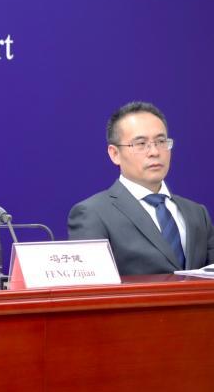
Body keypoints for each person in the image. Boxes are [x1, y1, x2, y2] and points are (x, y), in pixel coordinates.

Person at [68, 101, 214, 274]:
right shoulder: (92, 214)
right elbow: (93, 285)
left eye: (161, 141)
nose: (154, 152)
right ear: (115, 154)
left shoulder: (197, 213)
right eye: (141, 144)